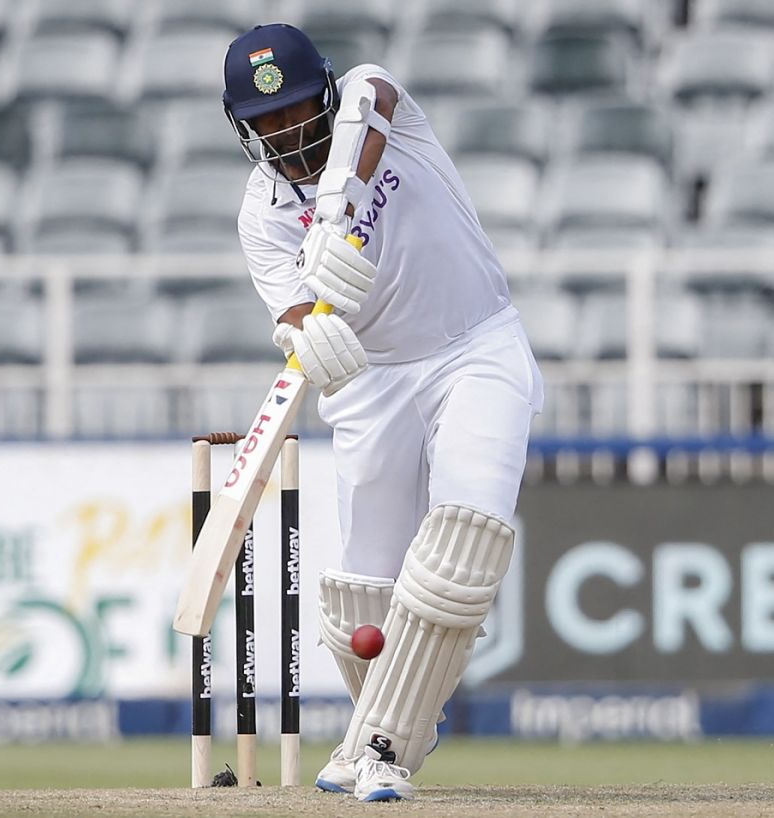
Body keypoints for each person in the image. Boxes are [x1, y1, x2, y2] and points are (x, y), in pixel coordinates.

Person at [222, 23, 544, 802]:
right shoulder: (262, 214)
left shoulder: (378, 111)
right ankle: (389, 722)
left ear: (324, 95)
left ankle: (383, 745)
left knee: (458, 551)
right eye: (265, 122)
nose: (285, 133)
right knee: (356, 600)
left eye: (297, 112)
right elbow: (292, 312)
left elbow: (374, 96)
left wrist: (335, 209)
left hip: (475, 347)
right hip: (372, 384)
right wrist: (308, 331)